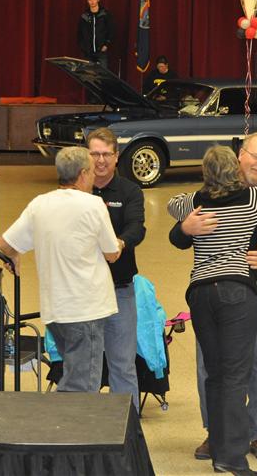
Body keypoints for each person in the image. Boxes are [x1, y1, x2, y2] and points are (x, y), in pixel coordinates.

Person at [167, 146, 257, 476]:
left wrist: (188, 221)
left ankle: (223, 445)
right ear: (238, 163)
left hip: (200, 293)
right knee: (237, 376)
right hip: (238, 291)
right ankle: (233, 457)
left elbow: (170, 204)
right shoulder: (255, 199)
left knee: (216, 374)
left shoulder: (195, 202)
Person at [0, 147, 120, 392]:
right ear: (82, 174)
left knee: (73, 375)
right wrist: (120, 244)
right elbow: (111, 253)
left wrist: (14, 256)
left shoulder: (39, 204)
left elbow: (4, 244)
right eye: (91, 171)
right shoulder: (93, 204)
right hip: (85, 309)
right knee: (82, 386)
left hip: (56, 311)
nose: (94, 176)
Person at [88, 127, 146, 411]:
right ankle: (82, 426)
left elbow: (137, 227)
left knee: (123, 364)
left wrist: (119, 244)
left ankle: (128, 429)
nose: (100, 160)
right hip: (84, 292)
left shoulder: (130, 191)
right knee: (85, 366)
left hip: (120, 289)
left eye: (106, 154)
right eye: (95, 154)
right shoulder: (76, 191)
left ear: (116, 156)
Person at [76, 0, 114, 67]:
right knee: (88, 73)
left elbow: (111, 30)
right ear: (87, 1)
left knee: (102, 73)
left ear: (98, 0)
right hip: (87, 52)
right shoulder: (84, 16)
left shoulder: (105, 14)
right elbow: (79, 33)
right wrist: (83, 47)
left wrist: (106, 44)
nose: (92, 2)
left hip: (101, 51)